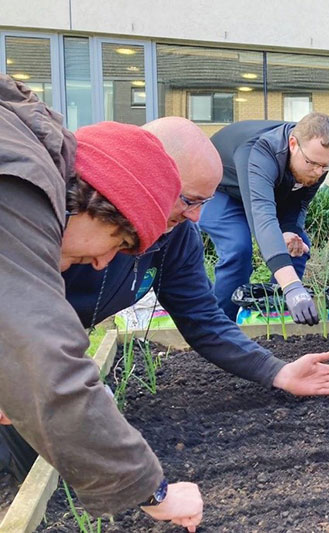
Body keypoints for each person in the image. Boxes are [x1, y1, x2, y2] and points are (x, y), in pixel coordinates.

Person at [0, 75, 202, 530]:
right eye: (119, 240)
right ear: (102, 202)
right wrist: (155, 492)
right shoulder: (21, 182)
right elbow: (44, 359)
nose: (101, 262)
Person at [63, 117, 329, 398]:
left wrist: (276, 371)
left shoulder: (176, 236)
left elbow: (202, 318)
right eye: (189, 200)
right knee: (238, 247)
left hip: (50, 358)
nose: (197, 217)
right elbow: (262, 217)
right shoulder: (65, 221)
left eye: (205, 202)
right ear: (149, 180)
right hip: (31, 351)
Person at [199, 115, 329, 323]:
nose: (318, 172)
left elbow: (298, 203)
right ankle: (217, 328)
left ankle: (271, 322)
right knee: (238, 247)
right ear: (293, 144)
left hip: (264, 192)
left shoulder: (316, 160)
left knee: (298, 246)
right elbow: (262, 217)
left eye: (326, 166)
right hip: (220, 189)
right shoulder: (260, 150)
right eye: (312, 163)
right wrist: (292, 286)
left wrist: (290, 229)